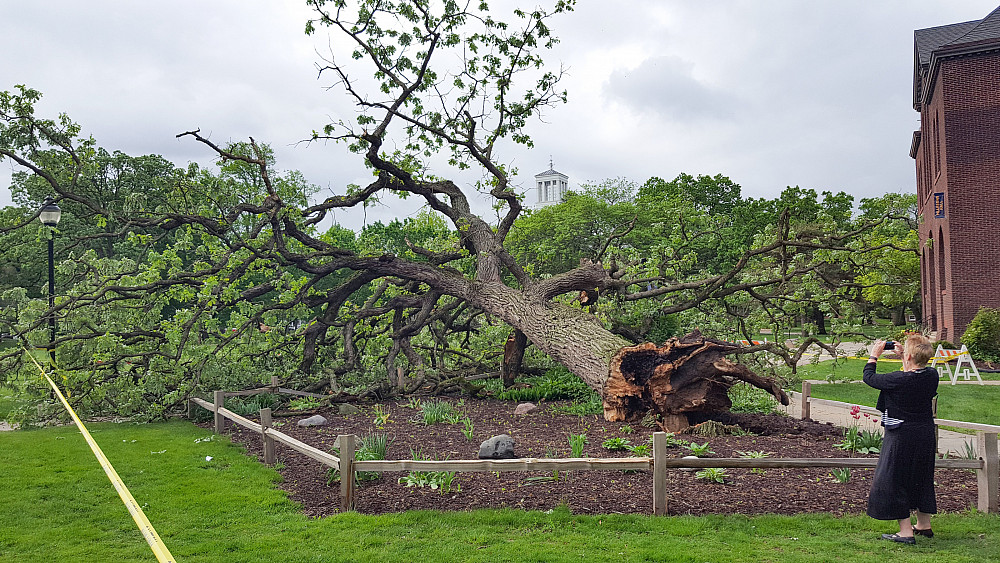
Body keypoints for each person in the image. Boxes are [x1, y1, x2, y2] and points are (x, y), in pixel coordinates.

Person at [864, 334, 938, 545]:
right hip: (925, 434)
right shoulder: (932, 375)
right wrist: (905, 357)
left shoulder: (898, 380)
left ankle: (906, 532)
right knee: (921, 476)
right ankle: (924, 525)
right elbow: (914, 373)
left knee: (893, 479)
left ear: (909, 355)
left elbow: (869, 378)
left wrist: (874, 356)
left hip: (901, 435)